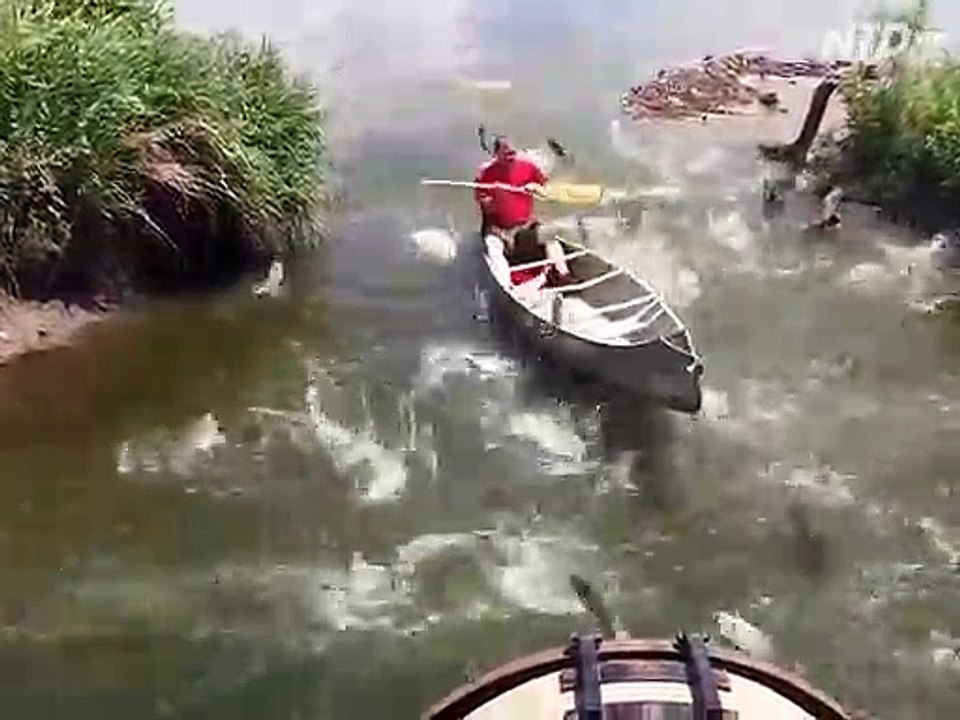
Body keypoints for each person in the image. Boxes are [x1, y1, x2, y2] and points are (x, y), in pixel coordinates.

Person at [475, 136, 570, 285]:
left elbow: (546, 190)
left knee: (549, 235)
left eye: (513, 153)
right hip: (499, 231)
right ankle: (507, 287)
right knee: (493, 249)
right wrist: (498, 198)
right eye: (506, 154)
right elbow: (485, 207)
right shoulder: (486, 174)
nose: (511, 158)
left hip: (524, 226)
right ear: (496, 156)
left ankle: (563, 275)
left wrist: (536, 187)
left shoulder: (528, 167)